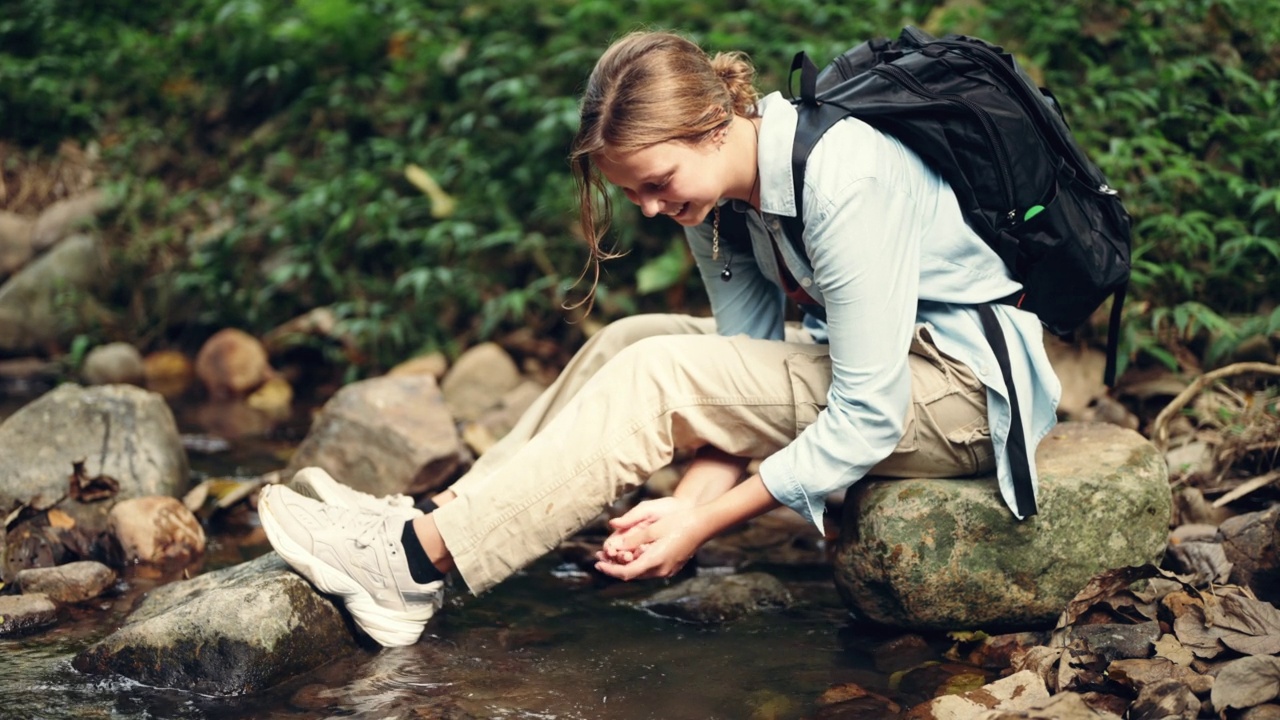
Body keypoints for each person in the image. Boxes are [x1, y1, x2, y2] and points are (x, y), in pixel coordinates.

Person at [258, 29, 1062, 648]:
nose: (646, 208)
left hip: (963, 395)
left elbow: (869, 416)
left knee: (660, 373)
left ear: (715, 125)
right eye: (631, 191)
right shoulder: (717, 199)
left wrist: (701, 524)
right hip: (902, 373)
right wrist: (686, 501)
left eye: (655, 183)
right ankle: (435, 518)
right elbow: (736, 380)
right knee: (635, 338)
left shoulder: (841, 178)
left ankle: (407, 569)